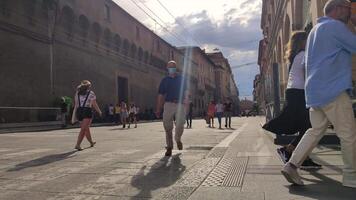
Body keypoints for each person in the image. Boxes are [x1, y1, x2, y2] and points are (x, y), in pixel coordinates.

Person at [281, 0, 356, 188]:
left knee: (315, 131)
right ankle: (351, 177)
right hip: (333, 89)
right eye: (349, 8)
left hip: (315, 91)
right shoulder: (335, 27)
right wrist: (354, 23)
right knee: (348, 135)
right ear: (338, 9)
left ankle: (291, 165)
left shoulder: (315, 30)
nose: (350, 12)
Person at [262, 31, 321, 168]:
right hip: (299, 93)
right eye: (308, 39)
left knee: (306, 126)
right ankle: (291, 151)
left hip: (294, 92)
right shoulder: (302, 55)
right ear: (302, 42)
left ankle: (300, 156)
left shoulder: (296, 56)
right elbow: (308, 74)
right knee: (310, 126)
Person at [155, 60, 189, 157]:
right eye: (170, 67)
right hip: (168, 104)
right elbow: (160, 95)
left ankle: (178, 139)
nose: (171, 69)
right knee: (167, 125)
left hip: (180, 104)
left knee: (180, 124)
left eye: (173, 66)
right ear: (167, 68)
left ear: (176, 68)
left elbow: (186, 93)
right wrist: (158, 108)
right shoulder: (165, 80)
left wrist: (187, 104)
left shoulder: (182, 79)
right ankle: (169, 147)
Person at [72, 80, 102, 151]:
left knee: (86, 128)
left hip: (79, 111)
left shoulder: (77, 93)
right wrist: (99, 111)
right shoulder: (91, 93)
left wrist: (74, 114)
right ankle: (78, 144)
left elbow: (76, 104)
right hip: (87, 111)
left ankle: (91, 142)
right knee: (84, 129)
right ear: (88, 87)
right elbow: (94, 104)